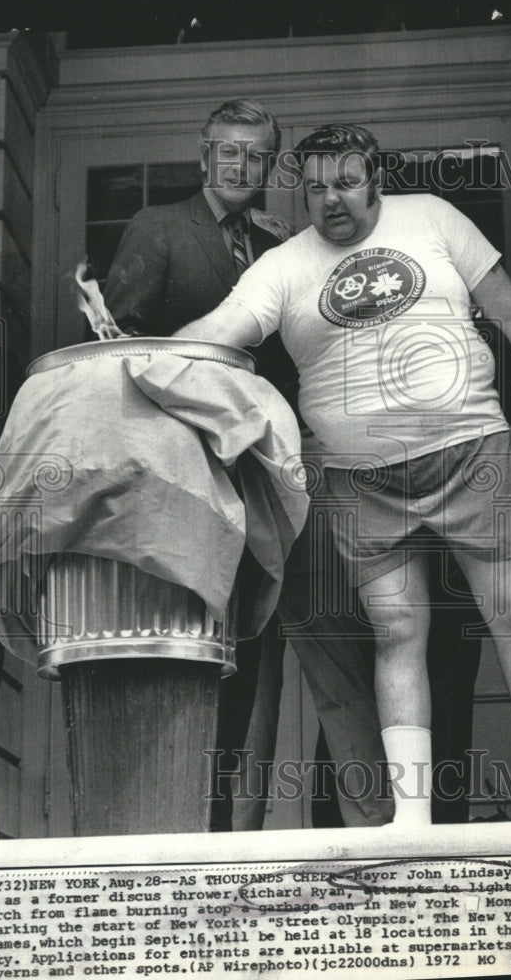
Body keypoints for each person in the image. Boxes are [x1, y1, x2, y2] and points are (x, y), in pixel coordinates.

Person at [174, 122, 511, 825]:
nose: (330, 201)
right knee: (398, 632)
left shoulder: (433, 217)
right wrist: (138, 352)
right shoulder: (285, 265)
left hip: (474, 453)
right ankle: (410, 816)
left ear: (373, 176)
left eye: (345, 183)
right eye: (315, 188)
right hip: (362, 480)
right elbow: (220, 330)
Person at [104, 99, 296, 831]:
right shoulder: (158, 227)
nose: (242, 165)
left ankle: (231, 830)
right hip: (183, 475)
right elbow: (116, 350)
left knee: (252, 650)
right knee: (186, 648)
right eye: (229, 150)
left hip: (264, 481)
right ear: (203, 154)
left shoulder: (280, 245)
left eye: (257, 154)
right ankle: (173, 823)